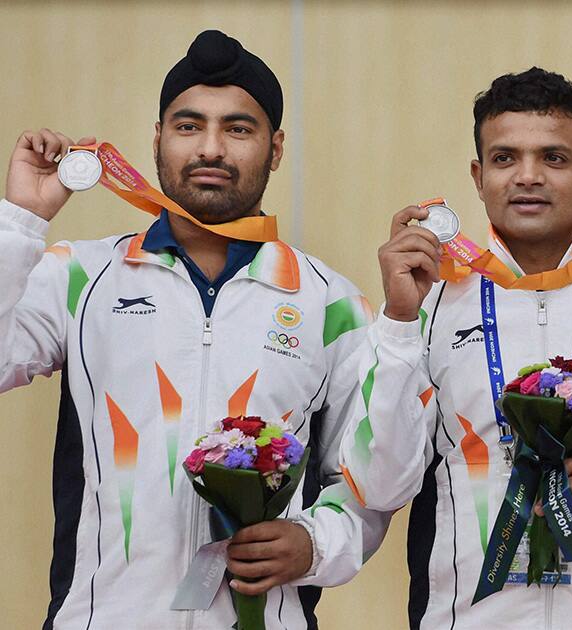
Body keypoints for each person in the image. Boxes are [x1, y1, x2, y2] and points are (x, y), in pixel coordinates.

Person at [0, 30, 385, 629]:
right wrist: (22, 220)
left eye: (238, 128)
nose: (211, 148)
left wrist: (314, 543)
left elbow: (366, 479)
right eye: (188, 125)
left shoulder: (331, 303)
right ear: (156, 139)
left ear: (275, 147)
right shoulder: (80, 275)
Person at [339, 67, 572, 629]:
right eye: (505, 158)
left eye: (553, 158)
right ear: (479, 175)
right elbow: (378, 484)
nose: (527, 177)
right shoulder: (424, 309)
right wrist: (399, 320)